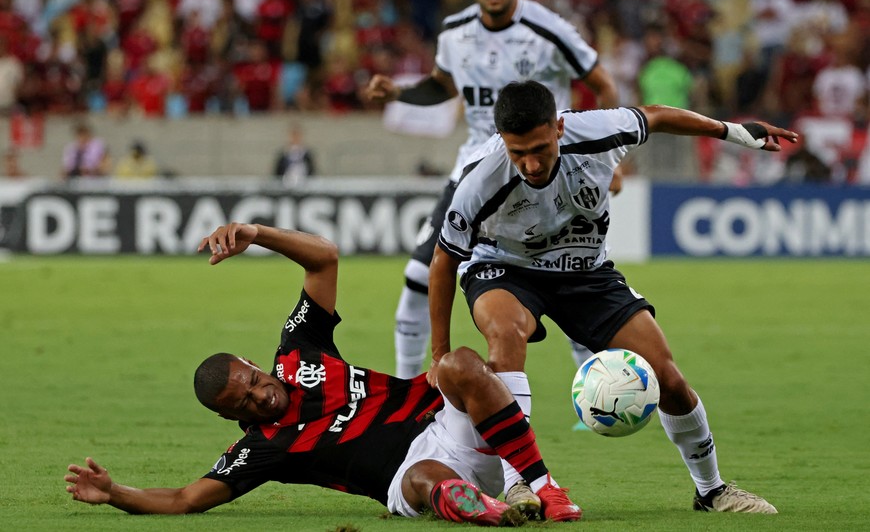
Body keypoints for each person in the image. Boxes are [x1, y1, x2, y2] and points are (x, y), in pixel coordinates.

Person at [429, 80, 798, 515]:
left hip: (586, 272)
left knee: (668, 379)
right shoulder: (481, 179)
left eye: (539, 149)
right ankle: (521, 485)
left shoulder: (599, 132)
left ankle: (711, 490)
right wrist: (439, 354)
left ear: (559, 128)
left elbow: (658, 115)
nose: (529, 164)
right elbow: (443, 261)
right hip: (506, 268)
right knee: (505, 335)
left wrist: (732, 131)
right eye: (517, 152)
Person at [64, 222, 581, 524]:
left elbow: (325, 260)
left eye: (253, 382)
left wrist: (256, 232)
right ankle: (491, 512)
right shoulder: (262, 449)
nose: (259, 397)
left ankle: (530, 483)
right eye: (242, 405)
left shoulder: (299, 350)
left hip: (450, 425)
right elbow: (185, 499)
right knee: (427, 480)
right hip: (408, 477)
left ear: (251, 364)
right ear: (231, 419)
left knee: (460, 363)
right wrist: (116, 495)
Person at [363, 0, 619, 388]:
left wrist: (602, 159)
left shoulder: (548, 30)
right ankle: (408, 397)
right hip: (476, 171)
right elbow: (442, 87)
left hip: (546, 168)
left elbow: (603, 85)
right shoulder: (454, 32)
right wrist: (400, 93)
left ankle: (596, 383)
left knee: (571, 271)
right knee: (418, 276)